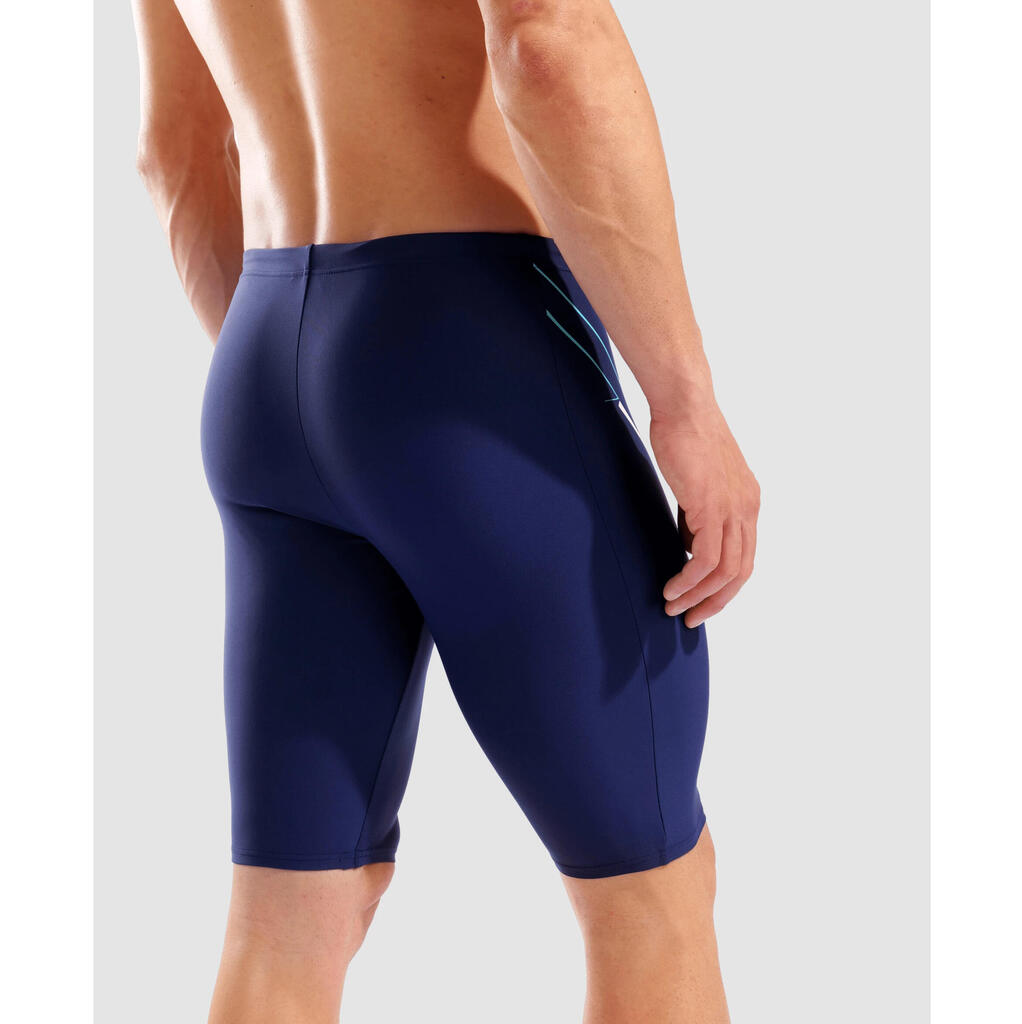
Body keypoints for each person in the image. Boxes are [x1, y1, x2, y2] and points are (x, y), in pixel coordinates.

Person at [132, 0, 760, 1020]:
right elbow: (545, 38)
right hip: (471, 354)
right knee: (651, 896)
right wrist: (686, 403)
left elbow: (174, 147)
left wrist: (320, 406)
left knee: (290, 917)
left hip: (263, 364)